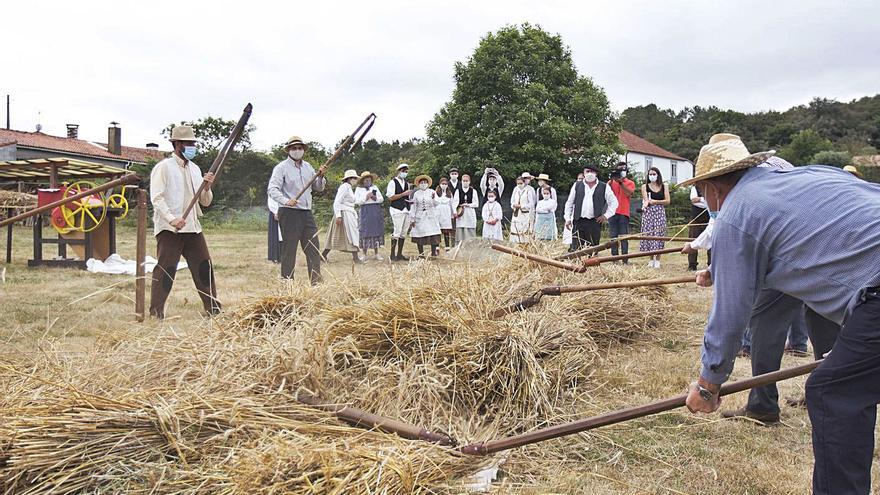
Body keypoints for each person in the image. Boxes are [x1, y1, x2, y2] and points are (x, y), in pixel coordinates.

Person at [679, 133, 880, 495]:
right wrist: (726, 264)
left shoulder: (736, 214)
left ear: (712, 188)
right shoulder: (807, 176)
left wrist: (709, 386)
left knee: (833, 392)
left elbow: (730, 315)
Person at [149, 125, 220, 319]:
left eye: (193, 143)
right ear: (177, 144)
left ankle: (213, 308)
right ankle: (156, 313)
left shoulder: (196, 170)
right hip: (169, 230)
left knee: (204, 267)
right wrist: (172, 219)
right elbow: (157, 198)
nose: (192, 147)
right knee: (166, 270)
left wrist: (207, 187)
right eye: (189, 143)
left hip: (192, 228)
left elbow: (205, 202)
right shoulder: (163, 167)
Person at [267, 135, 327, 284]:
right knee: (289, 249)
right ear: (288, 150)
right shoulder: (281, 168)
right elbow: (272, 189)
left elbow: (319, 188)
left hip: (306, 212)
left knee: (313, 248)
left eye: (300, 148)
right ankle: (288, 283)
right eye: (294, 148)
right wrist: (287, 201)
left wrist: (320, 176)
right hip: (289, 212)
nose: (297, 150)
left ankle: (316, 283)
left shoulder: (308, 167)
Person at [563, 165, 618, 250]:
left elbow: (614, 202)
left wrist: (606, 216)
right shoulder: (577, 185)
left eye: (592, 171)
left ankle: (592, 262)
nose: (589, 174)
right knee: (575, 249)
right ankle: (575, 263)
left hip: (594, 222)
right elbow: (569, 203)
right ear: (584, 173)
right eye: (587, 171)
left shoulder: (604, 186)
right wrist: (567, 219)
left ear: (596, 173)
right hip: (578, 221)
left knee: (593, 249)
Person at [322, 169, 362, 263]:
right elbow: (337, 202)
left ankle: (355, 257)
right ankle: (355, 258)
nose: (356, 180)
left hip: (349, 213)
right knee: (348, 234)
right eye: (354, 178)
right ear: (350, 179)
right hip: (344, 213)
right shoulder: (344, 187)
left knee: (352, 234)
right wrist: (338, 215)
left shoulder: (349, 188)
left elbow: (352, 201)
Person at [639, 167, 670, 268]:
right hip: (648, 212)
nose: (652, 176)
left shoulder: (664, 186)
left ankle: (658, 260)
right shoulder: (644, 186)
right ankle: (651, 259)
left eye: (654, 174)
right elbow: (646, 199)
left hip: (659, 212)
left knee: (659, 234)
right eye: (650, 174)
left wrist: (656, 202)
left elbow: (667, 201)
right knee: (649, 234)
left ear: (658, 175)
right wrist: (645, 205)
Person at [354, 170, 384, 261]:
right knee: (365, 231)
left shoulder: (375, 187)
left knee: (376, 231)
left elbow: (381, 199)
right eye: (366, 180)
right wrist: (366, 197)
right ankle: (364, 253)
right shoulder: (359, 189)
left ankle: (377, 253)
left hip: (375, 210)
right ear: (362, 181)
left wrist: (375, 198)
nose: (368, 181)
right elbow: (357, 201)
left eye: (369, 179)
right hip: (365, 211)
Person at [409, 175, 442, 258]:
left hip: (431, 215)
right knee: (419, 234)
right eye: (421, 182)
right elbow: (414, 206)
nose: (423, 184)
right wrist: (412, 219)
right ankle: (421, 254)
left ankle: (433, 253)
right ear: (419, 184)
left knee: (433, 234)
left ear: (428, 183)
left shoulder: (432, 192)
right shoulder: (416, 194)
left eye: (425, 182)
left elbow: (437, 203)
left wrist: (434, 198)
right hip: (420, 216)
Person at [607, 162, 635, 260]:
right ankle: (614, 258)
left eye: (623, 170)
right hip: (612, 212)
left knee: (624, 237)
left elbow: (629, 193)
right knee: (613, 236)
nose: (621, 172)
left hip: (623, 212)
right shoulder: (610, 182)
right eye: (619, 170)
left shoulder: (630, 182)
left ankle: (625, 258)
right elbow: (606, 195)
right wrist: (612, 180)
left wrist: (621, 182)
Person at [386, 163, 413, 261]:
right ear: (399, 171)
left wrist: (409, 199)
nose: (405, 173)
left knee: (403, 232)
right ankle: (392, 254)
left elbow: (407, 197)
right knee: (397, 231)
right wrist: (403, 194)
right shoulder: (392, 182)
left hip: (406, 208)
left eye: (406, 172)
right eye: (403, 171)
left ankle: (399, 254)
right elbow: (390, 197)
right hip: (396, 209)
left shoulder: (406, 183)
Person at [687, 185, 710, 271]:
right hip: (695, 218)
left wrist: (700, 199)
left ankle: (711, 264)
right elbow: (693, 199)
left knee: (711, 241)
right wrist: (704, 200)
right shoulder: (694, 188)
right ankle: (692, 265)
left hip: (708, 218)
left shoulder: (711, 187)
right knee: (692, 241)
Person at [452, 174, 479, 242]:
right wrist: (455, 212)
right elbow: (455, 203)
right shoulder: (458, 191)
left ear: (469, 181)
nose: (465, 182)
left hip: (470, 212)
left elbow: (476, 204)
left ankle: (471, 245)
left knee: (470, 229)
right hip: (461, 213)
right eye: (464, 181)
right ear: (461, 181)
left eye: (467, 181)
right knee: (461, 229)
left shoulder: (473, 191)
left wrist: (468, 205)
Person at [509, 175, 535, 244]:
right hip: (516, 213)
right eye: (518, 183)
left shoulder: (528, 191)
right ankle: (516, 243)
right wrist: (513, 205)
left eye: (521, 183)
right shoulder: (516, 190)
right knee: (515, 228)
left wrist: (522, 206)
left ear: (524, 183)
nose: (519, 185)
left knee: (524, 229)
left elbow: (531, 204)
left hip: (524, 214)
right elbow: (512, 201)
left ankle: (524, 243)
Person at [435, 177, 455, 250]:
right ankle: (437, 246)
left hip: (446, 212)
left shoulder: (449, 193)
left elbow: (452, 203)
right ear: (440, 184)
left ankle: (447, 247)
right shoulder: (436, 192)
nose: (444, 185)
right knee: (438, 230)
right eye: (443, 184)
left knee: (446, 231)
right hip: (438, 211)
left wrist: (453, 213)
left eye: (445, 184)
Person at [267, 197, 282, 263]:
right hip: (275, 213)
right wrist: (276, 212)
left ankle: (282, 257)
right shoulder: (272, 188)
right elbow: (271, 199)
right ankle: (275, 257)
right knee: (275, 235)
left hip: (283, 211)